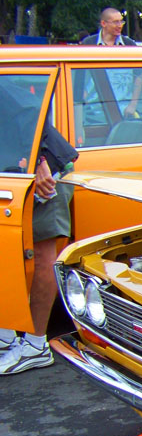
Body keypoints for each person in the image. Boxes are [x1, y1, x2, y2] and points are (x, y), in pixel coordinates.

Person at [0, 123, 79, 375]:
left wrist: (39, 160)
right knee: (8, 248)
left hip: (44, 169)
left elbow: (31, 114)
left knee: (44, 249)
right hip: (18, 168)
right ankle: (6, 334)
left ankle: (35, 345)